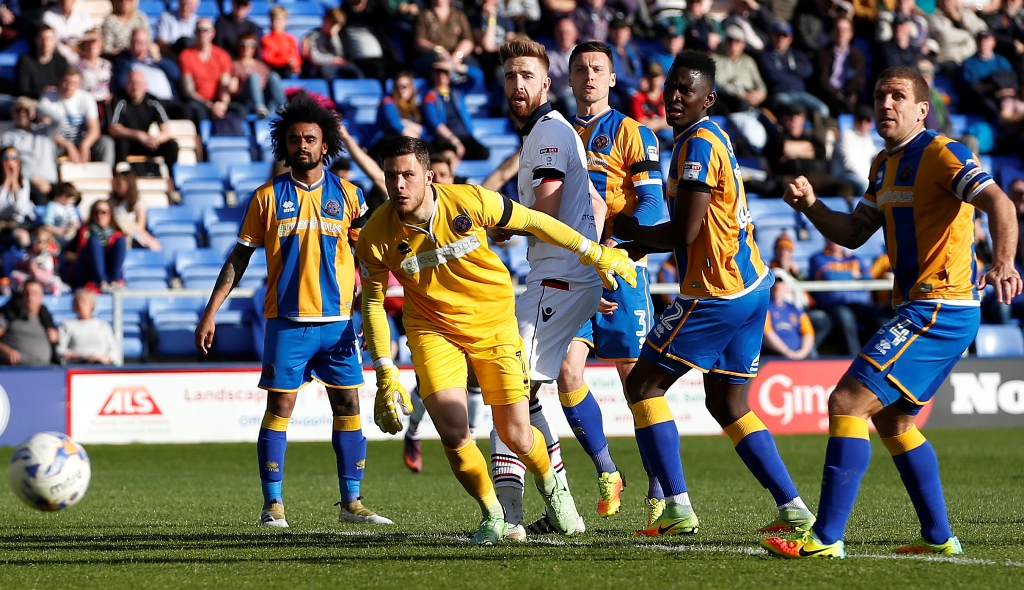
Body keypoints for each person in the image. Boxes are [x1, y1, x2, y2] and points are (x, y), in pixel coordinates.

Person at [761, 66, 1023, 559]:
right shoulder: (883, 164)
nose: (886, 104)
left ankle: (824, 539)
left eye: (898, 96)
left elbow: (1001, 204)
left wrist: (1004, 262)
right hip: (922, 308)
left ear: (922, 109)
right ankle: (939, 538)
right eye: (881, 95)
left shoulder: (944, 154)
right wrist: (811, 206)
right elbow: (854, 233)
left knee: (846, 401)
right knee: (894, 422)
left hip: (941, 306)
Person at [356, 135, 635, 545]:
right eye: (391, 176)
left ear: (429, 177)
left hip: (494, 325)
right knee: (454, 433)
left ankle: (552, 485)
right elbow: (373, 302)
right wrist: (385, 370)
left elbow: (535, 221)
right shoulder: (374, 235)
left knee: (517, 435)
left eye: (408, 175)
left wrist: (592, 252)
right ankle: (493, 515)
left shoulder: (469, 201)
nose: (399, 185)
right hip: (433, 331)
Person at [613, 49, 814, 538]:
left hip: (715, 292)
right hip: (751, 286)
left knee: (642, 387)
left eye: (687, 89)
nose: (675, 96)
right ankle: (793, 507)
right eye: (671, 87)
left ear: (709, 98)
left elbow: (684, 232)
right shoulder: (709, 136)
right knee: (727, 404)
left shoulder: (698, 145)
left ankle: (676, 506)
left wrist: (626, 233)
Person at [195, 94, 391, 529]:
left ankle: (352, 503)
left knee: (348, 404)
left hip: (337, 324)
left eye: (310, 139)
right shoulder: (266, 197)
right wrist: (211, 311)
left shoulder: (351, 196)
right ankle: (273, 505)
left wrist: (369, 308)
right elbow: (239, 257)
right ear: (283, 145)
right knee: (280, 407)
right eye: (294, 139)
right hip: (287, 323)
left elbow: (369, 258)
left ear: (326, 145)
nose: (302, 145)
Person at [484, 38, 614, 540]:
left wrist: (502, 222)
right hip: (567, 277)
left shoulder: (547, 135)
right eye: (510, 76)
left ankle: (507, 518)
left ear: (545, 82)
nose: (517, 84)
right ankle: (563, 511)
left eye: (527, 76)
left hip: (556, 279)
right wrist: (592, 264)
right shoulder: (553, 131)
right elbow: (597, 205)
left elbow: (547, 212)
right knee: (528, 395)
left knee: (506, 390)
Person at [542, 39, 665, 528]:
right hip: (573, 274)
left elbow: (652, 206)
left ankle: (661, 489)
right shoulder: (556, 133)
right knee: (567, 373)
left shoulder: (633, 132)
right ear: (569, 78)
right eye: (580, 69)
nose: (589, 76)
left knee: (637, 385)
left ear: (612, 78)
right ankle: (608, 471)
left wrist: (613, 251)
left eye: (598, 68)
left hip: (620, 272)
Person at [764, 101, 855, 198]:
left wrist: (791, 151)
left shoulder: (811, 137)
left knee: (845, 187)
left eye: (797, 116)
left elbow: (821, 152)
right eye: (790, 116)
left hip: (814, 177)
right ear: (783, 118)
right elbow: (778, 149)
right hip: (791, 178)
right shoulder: (777, 138)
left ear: (803, 119)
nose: (793, 119)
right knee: (786, 186)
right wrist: (807, 149)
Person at [808, 240, 882, 355]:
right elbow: (828, 276)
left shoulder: (854, 258)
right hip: (834, 305)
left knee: (880, 318)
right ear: (826, 240)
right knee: (845, 318)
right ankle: (853, 357)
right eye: (832, 239)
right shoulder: (818, 258)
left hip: (858, 303)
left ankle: (875, 356)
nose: (836, 242)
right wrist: (853, 275)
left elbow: (868, 276)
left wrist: (844, 276)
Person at [39, 67, 115, 167]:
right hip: (58, 143)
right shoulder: (47, 98)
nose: (69, 86)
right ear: (59, 81)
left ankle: (106, 173)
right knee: (46, 145)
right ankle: (51, 175)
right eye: (66, 82)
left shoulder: (87, 98)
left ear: (79, 84)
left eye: (74, 83)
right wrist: (68, 145)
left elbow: (94, 129)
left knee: (106, 143)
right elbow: (46, 129)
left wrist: (85, 145)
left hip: (82, 140)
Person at [108, 70, 179, 172]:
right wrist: (137, 135)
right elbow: (113, 129)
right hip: (128, 141)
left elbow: (166, 131)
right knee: (121, 142)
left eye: (139, 83)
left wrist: (156, 140)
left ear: (145, 85)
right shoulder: (118, 100)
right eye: (132, 83)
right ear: (126, 85)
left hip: (147, 143)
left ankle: (172, 176)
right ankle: (122, 174)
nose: (135, 87)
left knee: (172, 145)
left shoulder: (154, 101)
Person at [758, 21, 829, 119]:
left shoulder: (797, 53)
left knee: (823, 110)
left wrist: (783, 69)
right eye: (778, 35)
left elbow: (808, 71)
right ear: (771, 36)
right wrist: (795, 70)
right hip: (781, 94)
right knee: (792, 110)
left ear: (790, 38)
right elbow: (773, 75)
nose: (781, 39)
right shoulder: (765, 55)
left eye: (785, 35)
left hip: (802, 93)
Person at [422, 59, 490, 161]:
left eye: (445, 72)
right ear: (432, 74)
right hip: (445, 138)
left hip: (465, 136)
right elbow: (435, 124)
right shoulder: (430, 96)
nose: (441, 75)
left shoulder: (457, 91)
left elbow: (478, 76)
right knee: (446, 156)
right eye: (437, 72)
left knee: (483, 153)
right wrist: (454, 141)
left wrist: (454, 66)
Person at [1, 97, 60, 205]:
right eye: (18, 110)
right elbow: (8, 163)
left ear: (33, 113)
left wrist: (36, 104)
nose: (22, 114)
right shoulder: (8, 137)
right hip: (29, 184)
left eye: (26, 110)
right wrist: (33, 178)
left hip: (52, 183)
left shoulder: (45, 131)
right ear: (13, 114)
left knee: (71, 198)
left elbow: (59, 120)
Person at [180, 18, 239, 123]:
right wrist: (209, 105)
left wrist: (222, 104)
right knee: (197, 113)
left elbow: (224, 85)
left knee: (239, 111)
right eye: (199, 30)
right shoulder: (186, 55)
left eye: (206, 30)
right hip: (198, 101)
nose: (202, 34)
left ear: (213, 33)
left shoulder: (222, 55)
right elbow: (189, 90)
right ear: (194, 33)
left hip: (218, 100)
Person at [69, 200, 127, 291]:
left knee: (121, 241)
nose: (100, 216)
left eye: (104, 212)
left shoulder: (116, 235)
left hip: (108, 271)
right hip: (86, 271)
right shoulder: (83, 231)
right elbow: (67, 254)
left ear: (110, 214)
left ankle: (114, 281)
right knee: (94, 241)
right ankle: (102, 282)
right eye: (96, 212)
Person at [814, 17, 864, 117]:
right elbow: (822, 80)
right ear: (832, 32)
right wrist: (838, 95)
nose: (841, 33)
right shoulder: (822, 53)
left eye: (845, 30)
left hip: (848, 97)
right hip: (829, 96)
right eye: (838, 29)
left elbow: (859, 79)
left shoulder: (857, 55)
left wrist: (853, 94)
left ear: (851, 34)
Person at [0, 280, 57, 366]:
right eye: (26, 293)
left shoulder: (45, 319)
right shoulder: (9, 313)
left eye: (34, 293)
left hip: (45, 370)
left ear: (41, 297)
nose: (30, 297)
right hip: (13, 370)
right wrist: (6, 350)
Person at [58, 288, 120, 364]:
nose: (80, 304)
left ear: (92, 304)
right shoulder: (67, 325)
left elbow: (114, 351)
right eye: (77, 301)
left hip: (101, 366)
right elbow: (61, 351)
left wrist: (103, 358)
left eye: (84, 301)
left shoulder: (103, 325)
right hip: (77, 366)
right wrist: (84, 357)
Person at [232, 33, 285, 120]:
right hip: (247, 101)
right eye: (243, 45)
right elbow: (233, 90)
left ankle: (283, 108)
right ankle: (259, 108)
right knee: (254, 77)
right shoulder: (234, 65)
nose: (247, 48)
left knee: (274, 76)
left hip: (265, 98)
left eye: (251, 45)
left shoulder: (261, 65)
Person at [303, 7, 363, 81]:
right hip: (322, 66)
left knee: (355, 71)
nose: (333, 28)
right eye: (331, 24)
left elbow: (340, 55)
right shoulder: (314, 36)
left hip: (335, 65)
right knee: (325, 72)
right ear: (325, 19)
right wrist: (332, 60)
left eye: (337, 27)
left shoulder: (337, 37)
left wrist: (334, 38)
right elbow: (315, 59)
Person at [109, 167, 160, 251]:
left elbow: (140, 226)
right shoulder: (113, 202)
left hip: (133, 234)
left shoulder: (139, 203)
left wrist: (126, 225)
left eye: (120, 184)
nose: (117, 187)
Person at [763, 280, 815, 359]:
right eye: (775, 288)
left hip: (798, 354)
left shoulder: (795, 309)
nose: (778, 289)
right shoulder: (766, 308)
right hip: (774, 355)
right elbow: (767, 332)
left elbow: (808, 332)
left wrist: (803, 353)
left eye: (780, 287)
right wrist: (787, 352)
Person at [831, 103, 876, 195]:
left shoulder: (868, 139)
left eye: (867, 120)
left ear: (871, 123)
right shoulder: (846, 136)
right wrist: (869, 179)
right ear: (855, 120)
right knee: (866, 186)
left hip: (862, 176)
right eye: (860, 119)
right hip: (843, 176)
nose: (863, 123)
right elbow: (849, 164)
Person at [15, 25, 70, 99]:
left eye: (49, 39)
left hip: (55, 100)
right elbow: (21, 89)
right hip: (32, 100)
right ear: (36, 40)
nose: (45, 43)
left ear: (55, 41)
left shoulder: (61, 61)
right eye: (42, 39)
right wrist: (41, 92)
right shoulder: (25, 60)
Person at [374, 72, 423, 154]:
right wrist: (413, 128)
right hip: (386, 143)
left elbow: (424, 130)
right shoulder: (388, 102)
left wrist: (407, 123)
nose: (401, 90)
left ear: (411, 88)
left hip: (406, 141)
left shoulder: (415, 106)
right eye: (397, 87)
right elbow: (396, 125)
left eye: (405, 87)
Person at [9, 227, 68, 294]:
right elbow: (27, 267)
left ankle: (54, 294)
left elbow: (49, 272)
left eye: (39, 242)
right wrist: (22, 265)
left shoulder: (47, 255)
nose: (35, 243)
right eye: (33, 240)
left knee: (55, 282)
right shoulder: (31, 253)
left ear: (46, 243)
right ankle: (20, 293)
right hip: (32, 278)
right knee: (14, 275)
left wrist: (36, 272)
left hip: (44, 279)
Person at [631, 61, 672, 148]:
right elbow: (642, 125)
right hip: (647, 141)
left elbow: (674, 122)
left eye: (657, 77)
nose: (654, 81)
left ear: (663, 78)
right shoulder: (638, 98)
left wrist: (654, 123)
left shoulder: (668, 97)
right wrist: (663, 122)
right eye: (651, 76)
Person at [0, 146, 33, 249]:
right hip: (1, 222)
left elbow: (20, 210)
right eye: (5, 158)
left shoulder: (24, 181)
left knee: (24, 237)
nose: (10, 162)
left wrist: (14, 183)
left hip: (16, 223)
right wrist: (6, 183)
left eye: (14, 158)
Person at [544, 17, 578, 118]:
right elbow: (556, 79)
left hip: (583, 91)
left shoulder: (582, 52)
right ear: (555, 34)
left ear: (575, 34)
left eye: (567, 32)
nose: (564, 36)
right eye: (561, 33)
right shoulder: (549, 55)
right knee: (571, 103)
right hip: (562, 94)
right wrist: (575, 71)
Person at [261, 6, 302, 79]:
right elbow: (268, 58)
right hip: (274, 69)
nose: (276, 23)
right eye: (274, 20)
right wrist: (285, 61)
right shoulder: (266, 39)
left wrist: (295, 63)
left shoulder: (290, 39)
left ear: (285, 22)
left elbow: (296, 56)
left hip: (287, 69)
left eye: (280, 20)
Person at [76, 30, 113, 106]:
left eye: (95, 43)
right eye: (88, 43)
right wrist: (85, 37)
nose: (92, 45)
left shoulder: (107, 64)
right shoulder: (77, 64)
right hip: (85, 103)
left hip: (105, 103)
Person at [41, 181, 81, 249]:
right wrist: (62, 231)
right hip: (56, 240)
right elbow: (47, 226)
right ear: (64, 196)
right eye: (72, 199)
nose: (73, 202)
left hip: (71, 240)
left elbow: (76, 222)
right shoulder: (52, 207)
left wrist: (73, 227)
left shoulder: (70, 207)